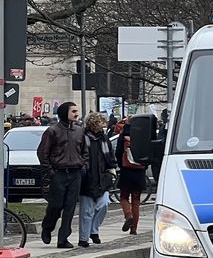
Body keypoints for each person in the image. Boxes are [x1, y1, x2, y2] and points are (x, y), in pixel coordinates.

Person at [37, 102, 86, 248]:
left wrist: (82, 165)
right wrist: (50, 172)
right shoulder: (52, 131)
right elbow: (42, 152)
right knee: (56, 205)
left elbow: (85, 151)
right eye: (73, 111)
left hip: (75, 173)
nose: (76, 114)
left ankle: (63, 238)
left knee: (70, 207)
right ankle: (47, 227)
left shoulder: (79, 131)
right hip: (58, 173)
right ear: (65, 112)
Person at [78, 113, 117, 247]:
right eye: (102, 122)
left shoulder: (104, 139)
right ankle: (84, 238)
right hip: (87, 178)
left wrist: (111, 168)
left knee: (104, 204)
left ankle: (93, 230)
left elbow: (110, 156)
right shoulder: (83, 138)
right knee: (86, 211)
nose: (104, 124)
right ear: (95, 123)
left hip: (102, 177)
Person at [115, 122, 149, 235]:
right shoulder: (144, 136)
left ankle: (128, 215)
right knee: (136, 200)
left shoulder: (123, 136)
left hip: (126, 171)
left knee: (123, 197)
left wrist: (122, 165)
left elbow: (118, 152)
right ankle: (134, 228)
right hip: (139, 172)